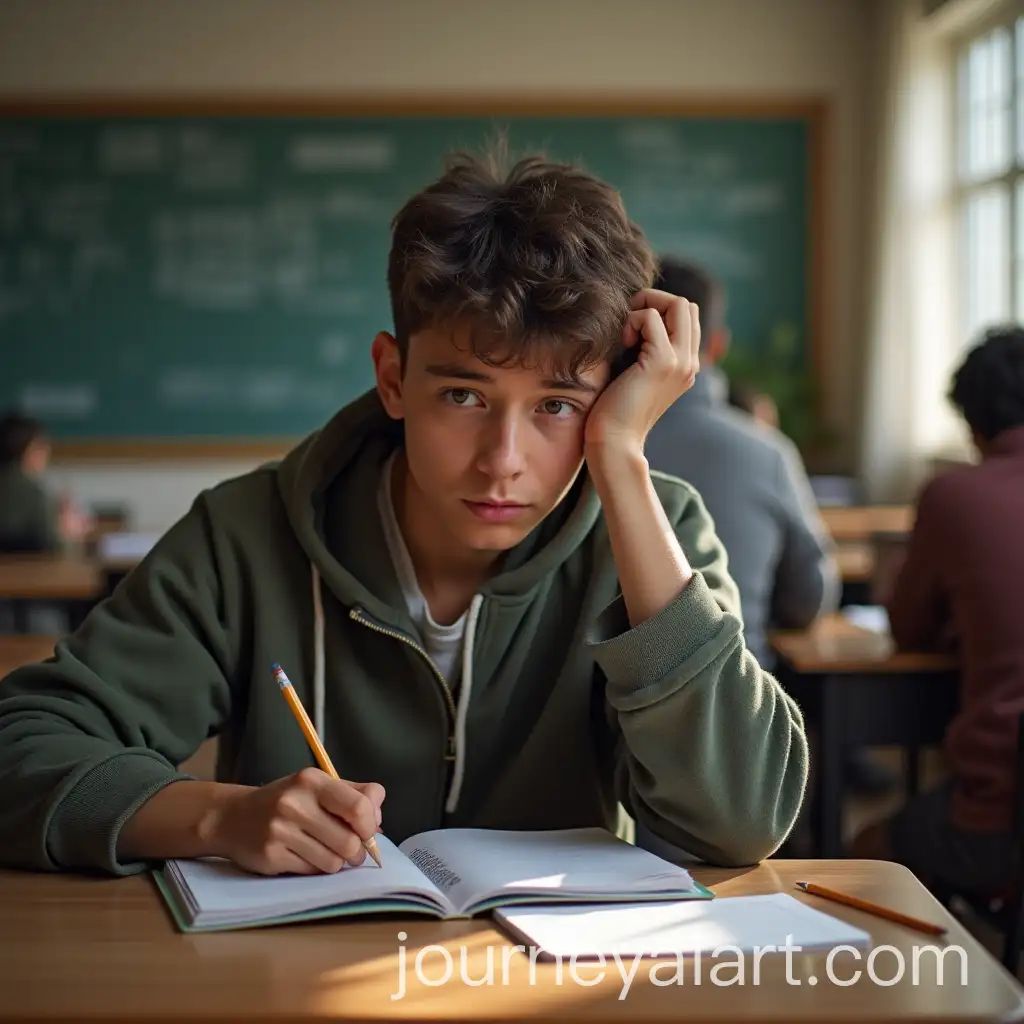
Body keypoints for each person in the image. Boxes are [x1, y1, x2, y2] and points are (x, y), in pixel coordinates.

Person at [0, 151, 808, 878]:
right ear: (393, 378)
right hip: (280, 981)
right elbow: (22, 745)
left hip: (549, 989)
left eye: (558, 405)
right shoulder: (248, 532)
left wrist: (624, 462)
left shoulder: (653, 534)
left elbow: (740, 822)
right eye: (464, 395)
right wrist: (216, 814)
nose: (503, 459)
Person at [850, 325, 1024, 894]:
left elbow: (909, 625)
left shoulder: (956, 495)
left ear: (973, 425)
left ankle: (930, 981)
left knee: (862, 856)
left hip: (1001, 819)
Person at [643, 257, 839, 669]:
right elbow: (811, 597)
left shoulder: (576, 443)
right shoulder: (768, 453)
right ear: (717, 345)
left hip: (599, 710)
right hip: (739, 696)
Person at [0, 412, 90, 553]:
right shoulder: (35, 494)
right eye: (42, 446)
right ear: (29, 450)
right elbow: (55, 552)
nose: (47, 452)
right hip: (29, 573)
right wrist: (71, 535)